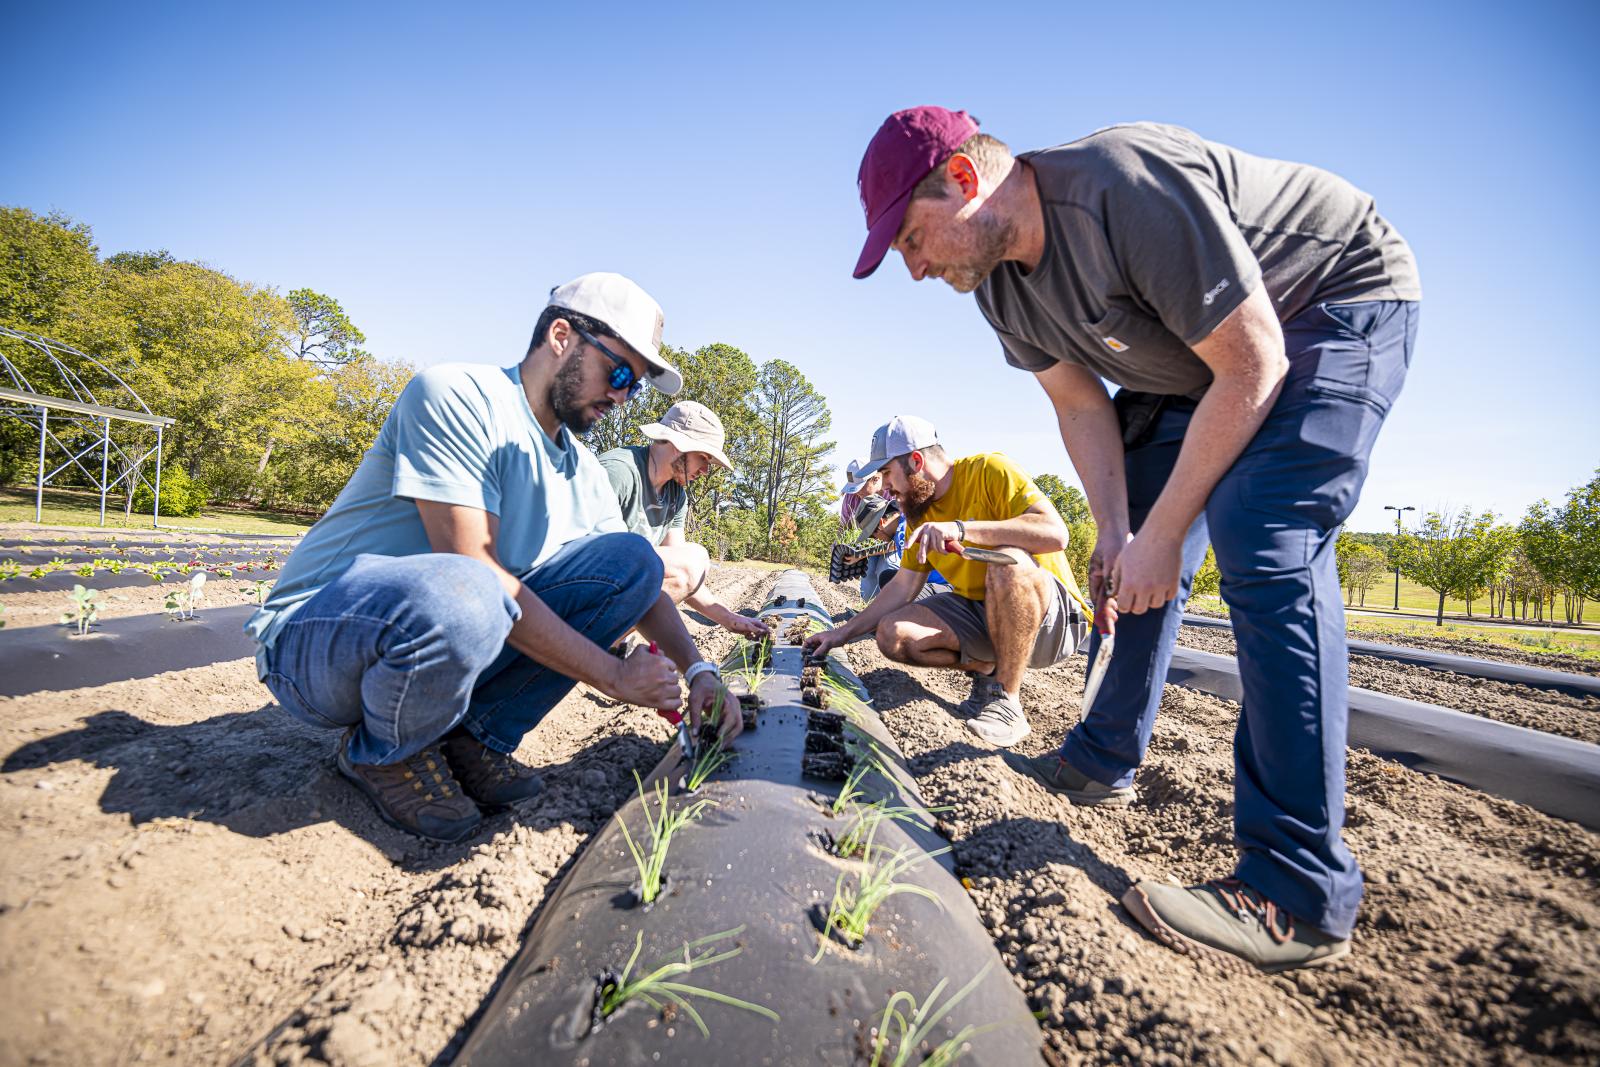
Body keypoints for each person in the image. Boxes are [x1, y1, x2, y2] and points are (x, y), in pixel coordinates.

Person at [852, 107, 1421, 972]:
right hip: (1196, 362)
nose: (915, 265)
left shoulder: (1123, 188)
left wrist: (1163, 531)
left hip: (1323, 302)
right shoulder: (1003, 289)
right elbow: (1083, 406)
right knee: (1129, 562)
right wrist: (1121, 531)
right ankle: (1102, 755)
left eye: (911, 237)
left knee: (1262, 532)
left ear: (965, 183)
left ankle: (1297, 888)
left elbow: (1254, 362)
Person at [246, 273, 738, 843]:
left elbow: (641, 583)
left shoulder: (579, 467)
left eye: (635, 386)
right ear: (561, 336)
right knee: (472, 587)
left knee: (632, 560)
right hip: (318, 645)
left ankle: (473, 739)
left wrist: (699, 670)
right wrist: (614, 676)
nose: (623, 395)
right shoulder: (457, 395)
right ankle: (384, 753)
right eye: (620, 372)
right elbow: (475, 571)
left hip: (449, 616)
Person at [806, 415, 1086, 747]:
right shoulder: (918, 512)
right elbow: (902, 586)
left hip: (1051, 622)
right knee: (893, 634)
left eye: (886, 474)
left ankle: (1007, 700)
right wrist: (840, 634)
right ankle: (986, 668)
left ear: (916, 461)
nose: (884, 487)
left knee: (1007, 560)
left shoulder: (989, 470)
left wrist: (963, 528)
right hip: (984, 613)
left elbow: (1056, 534)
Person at [598, 402, 766, 639]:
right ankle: (591, 646)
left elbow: (683, 577)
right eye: (704, 458)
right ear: (680, 445)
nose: (706, 470)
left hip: (617, 593)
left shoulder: (676, 495)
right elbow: (582, 555)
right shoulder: (618, 472)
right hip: (578, 596)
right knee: (695, 556)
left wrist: (730, 619)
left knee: (692, 559)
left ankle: (610, 645)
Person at [846, 492, 948, 603]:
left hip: (945, 587)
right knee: (887, 578)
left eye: (872, 535)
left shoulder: (905, 533)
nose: (875, 539)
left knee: (897, 593)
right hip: (932, 583)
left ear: (881, 522)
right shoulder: (904, 522)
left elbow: (915, 577)